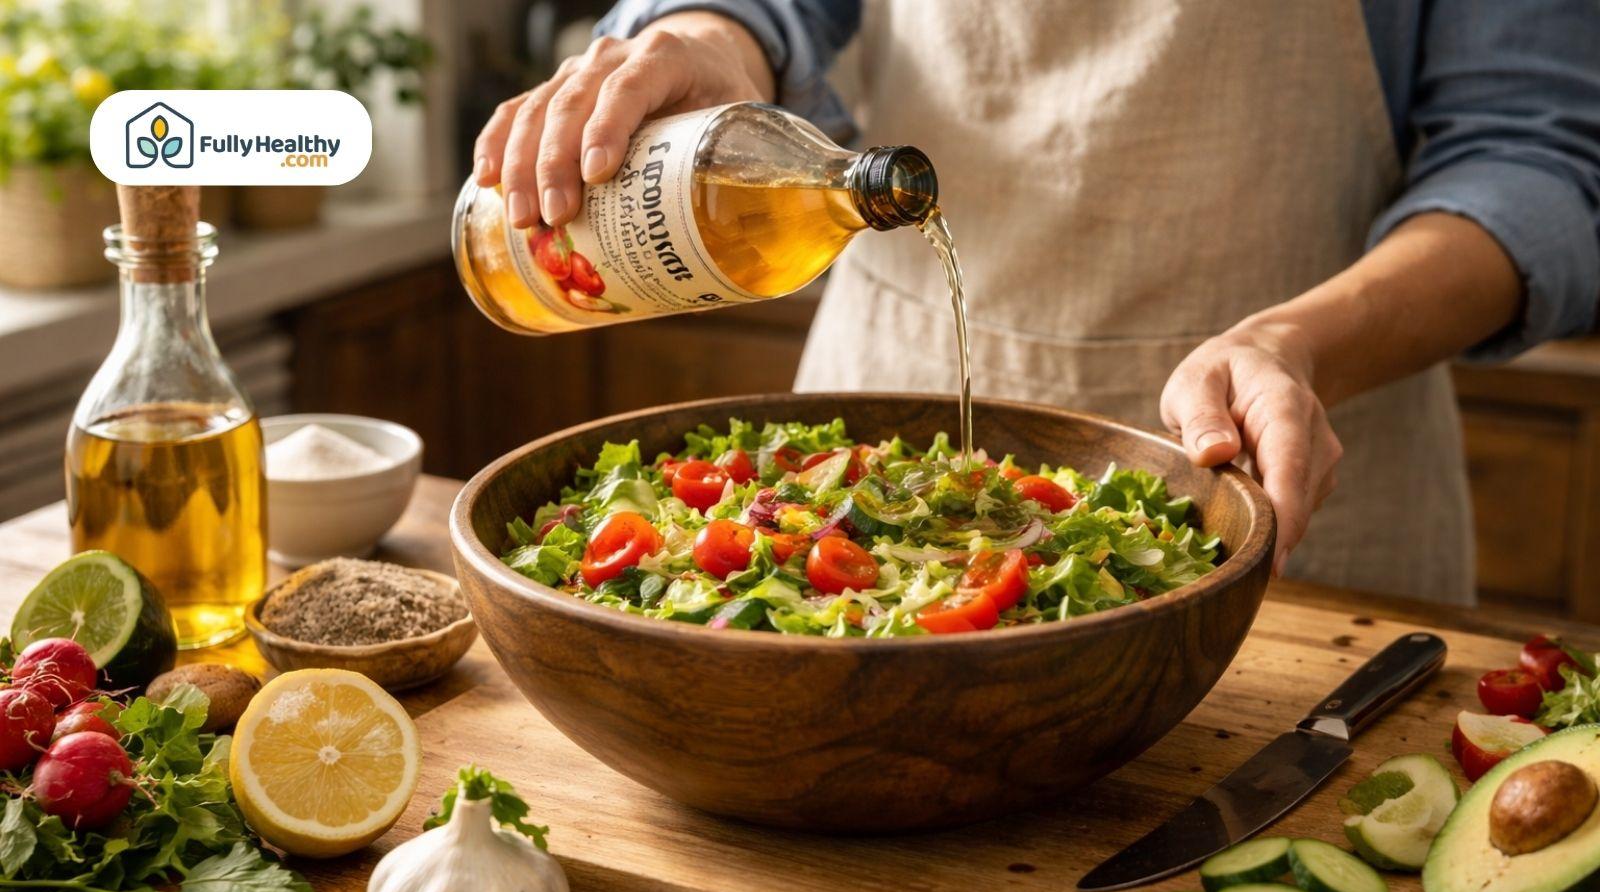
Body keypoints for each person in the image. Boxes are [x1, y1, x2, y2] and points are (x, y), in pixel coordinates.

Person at [472, 1, 1600, 605]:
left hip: (1295, 440)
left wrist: (1294, 344)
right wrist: (700, 35)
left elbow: (1538, 161)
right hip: (879, 408)